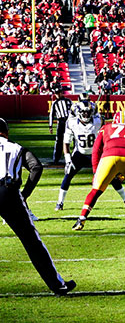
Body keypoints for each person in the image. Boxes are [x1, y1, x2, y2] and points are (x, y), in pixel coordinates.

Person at [0, 118, 76, 295]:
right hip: (8, 192)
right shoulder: (16, 148)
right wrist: (24, 194)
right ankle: (57, 285)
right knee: (32, 242)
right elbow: (36, 167)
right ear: (6, 132)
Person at [72, 111, 125, 231]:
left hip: (109, 156)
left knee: (96, 190)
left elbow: (96, 150)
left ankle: (82, 219)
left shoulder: (106, 128)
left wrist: (95, 171)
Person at [55, 103, 125, 211]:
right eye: (84, 112)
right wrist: (68, 159)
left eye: (88, 112)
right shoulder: (72, 123)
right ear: (79, 113)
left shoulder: (97, 121)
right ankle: (60, 202)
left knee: (111, 177)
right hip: (79, 154)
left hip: (95, 154)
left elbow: (100, 120)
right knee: (67, 176)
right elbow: (66, 142)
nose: (86, 115)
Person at [48, 89, 73, 164]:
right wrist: (50, 126)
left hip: (69, 121)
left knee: (75, 138)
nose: (57, 95)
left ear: (62, 93)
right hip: (61, 122)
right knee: (59, 140)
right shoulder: (55, 103)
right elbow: (51, 115)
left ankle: (76, 157)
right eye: (56, 93)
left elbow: (73, 110)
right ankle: (56, 159)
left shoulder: (68, 101)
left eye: (59, 93)